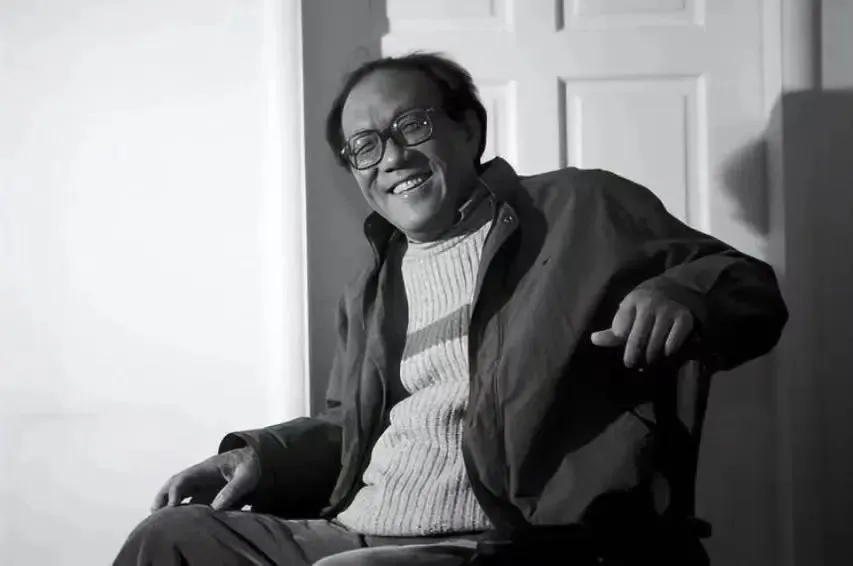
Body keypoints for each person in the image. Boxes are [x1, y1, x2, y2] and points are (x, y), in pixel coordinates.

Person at [113, 52, 788, 566]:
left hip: (509, 540)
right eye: (364, 146)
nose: (391, 157)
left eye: (411, 125)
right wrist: (261, 458)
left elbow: (748, 288)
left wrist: (681, 295)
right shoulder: (372, 282)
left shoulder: (584, 208)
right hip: (359, 527)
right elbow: (351, 429)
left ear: (467, 128)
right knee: (171, 536)